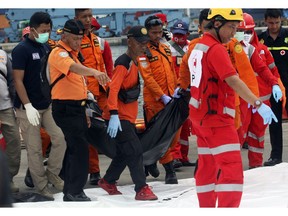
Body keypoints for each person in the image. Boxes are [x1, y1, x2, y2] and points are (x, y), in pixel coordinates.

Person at [177, 8, 277, 207]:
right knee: (231, 171)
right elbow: (233, 80)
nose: (234, 33)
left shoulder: (197, 47)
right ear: (217, 24)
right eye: (231, 27)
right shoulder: (215, 49)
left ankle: (206, 208)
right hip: (217, 120)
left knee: (207, 167)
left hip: (200, 118)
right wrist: (257, 103)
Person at [49, 19, 110, 202]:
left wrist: (86, 105)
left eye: (80, 39)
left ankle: (71, 189)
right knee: (79, 149)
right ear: (64, 35)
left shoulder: (73, 53)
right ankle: (74, 191)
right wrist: (94, 72)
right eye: (75, 39)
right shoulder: (59, 53)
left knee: (75, 149)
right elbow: (74, 69)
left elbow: (78, 82)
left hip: (77, 107)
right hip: (66, 108)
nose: (78, 42)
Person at [99, 26, 158, 201]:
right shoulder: (123, 64)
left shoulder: (135, 61)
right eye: (140, 42)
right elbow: (113, 90)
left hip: (127, 117)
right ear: (130, 41)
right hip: (119, 117)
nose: (143, 45)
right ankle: (141, 188)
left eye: (145, 42)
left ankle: (108, 181)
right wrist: (114, 114)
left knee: (124, 153)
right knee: (134, 150)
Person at [12, 11, 66, 200]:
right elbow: (18, 81)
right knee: (34, 149)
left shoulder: (46, 48)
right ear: (33, 29)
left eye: (49, 31)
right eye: (43, 31)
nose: (47, 34)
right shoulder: (21, 49)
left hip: (46, 104)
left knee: (60, 138)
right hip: (27, 108)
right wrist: (27, 105)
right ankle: (41, 185)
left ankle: (52, 172)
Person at [235, 12, 283, 168]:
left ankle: (255, 168)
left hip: (261, 102)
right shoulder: (226, 50)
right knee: (237, 136)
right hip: (239, 102)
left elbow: (266, 70)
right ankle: (230, 169)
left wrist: (276, 85)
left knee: (257, 137)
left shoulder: (255, 50)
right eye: (242, 31)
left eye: (249, 32)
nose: (245, 35)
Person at [138, 15, 179, 184]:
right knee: (161, 136)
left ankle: (150, 162)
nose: (157, 35)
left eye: (160, 32)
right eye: (154, 32)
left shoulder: (166, 47)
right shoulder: (143, 51)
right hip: (155, 101)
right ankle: (170, 171)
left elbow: (172, 71)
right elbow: (147, 77)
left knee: (173, 136)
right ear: (147, 32)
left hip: (171, 97)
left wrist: (177, 89)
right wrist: (161, 96)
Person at [74, 8, 108, 186]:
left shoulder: (98, 42)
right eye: (84, 17)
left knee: (111, 129)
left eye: (90, 16)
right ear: (76, 19)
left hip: (102, 93)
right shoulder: (74, 42)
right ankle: (94, 171)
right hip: (86, 95)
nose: (88, 20)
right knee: (90, 134)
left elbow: (107, 67)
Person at [258, 9, 288, 166]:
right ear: (265, 21)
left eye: (277, 22)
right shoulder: (260, 40)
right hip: (272, 88)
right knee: (275, 121)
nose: (274, 25)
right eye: (271, 23)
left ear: (281, 20)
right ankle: (276, 156)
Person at [167, 20, 195, 168]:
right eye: (176, 34)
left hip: (188, 91)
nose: (178, 37)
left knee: (186, 126)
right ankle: (175, 156)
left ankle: (184, 156)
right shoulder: (167, 48)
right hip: (174, 92)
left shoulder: (192, 46)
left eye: (181, 35)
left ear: (187, 34)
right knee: (176, 126)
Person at [0, 48, 21, 193]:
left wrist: (15, 102)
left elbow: (12, 80)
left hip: (5, 106)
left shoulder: (3, 55)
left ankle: (8, 178)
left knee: (14, 141)